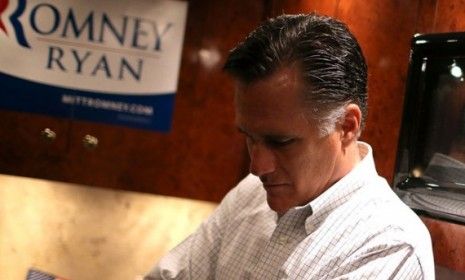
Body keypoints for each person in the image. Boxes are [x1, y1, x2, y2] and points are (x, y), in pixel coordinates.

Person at [144, 13, 434, 279]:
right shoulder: (251, 193)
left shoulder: (390, 246)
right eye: (249, 137)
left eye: (280, 142)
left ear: (346, 126)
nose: (257, 167)